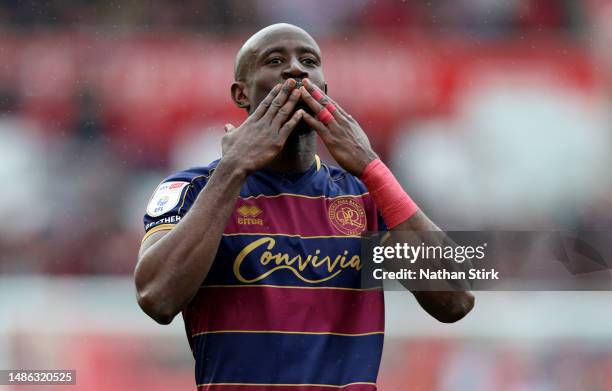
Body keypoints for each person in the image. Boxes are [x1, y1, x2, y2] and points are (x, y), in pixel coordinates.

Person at [134, 23, 474, 390]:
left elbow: (455, 299)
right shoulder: (192, 189)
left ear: (323, 88)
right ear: (241, 93)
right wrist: (233, 169)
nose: (296, 69)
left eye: (309, 60)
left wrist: (372, 166)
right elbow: (157, 297)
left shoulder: (365, 197)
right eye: (275, 60)